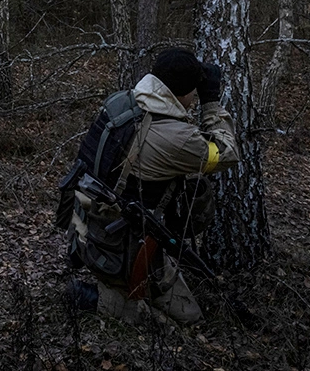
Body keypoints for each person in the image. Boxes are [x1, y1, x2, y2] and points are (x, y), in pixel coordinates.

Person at [68, 48, 239, 325]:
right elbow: (227, 153)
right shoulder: (176, 138)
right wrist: (210, 103)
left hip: (86, 223)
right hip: (122, 245)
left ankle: (109, 281)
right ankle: (99, 301)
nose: (194, 98)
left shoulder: (122, 102)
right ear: (183, 94)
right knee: (189, 320)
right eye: (193, 92)